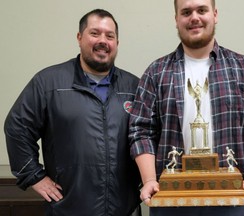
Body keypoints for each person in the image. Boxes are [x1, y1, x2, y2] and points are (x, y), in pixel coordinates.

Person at [129, 0, 244, 216]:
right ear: (176, 19)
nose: (194, 17)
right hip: (170, 199)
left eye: (202, 10)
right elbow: (139, 130)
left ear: (215, 14)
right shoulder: (156, 73)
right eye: (186, 12)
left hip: (232, 197)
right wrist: (150, 179)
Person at [4, 9, 141, 216]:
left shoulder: (134, 87)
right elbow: (17, 128)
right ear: (79, 37)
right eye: (95, 33)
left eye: (110, 36)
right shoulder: (48, 83)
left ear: (117, 43)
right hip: (68, 209)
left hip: (124, 209)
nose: (103, 40)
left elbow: (148, 136)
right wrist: (34, 176)